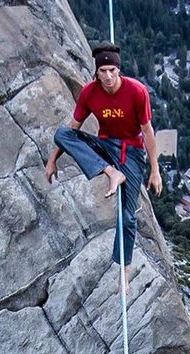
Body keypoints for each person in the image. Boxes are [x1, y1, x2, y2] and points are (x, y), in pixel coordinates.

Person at [45, 43, 163, 291]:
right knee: (62, 133)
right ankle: (110, 173)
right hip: (106, 147)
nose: (108, 76)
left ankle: (124, 272)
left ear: (118, 70)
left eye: (112, 70)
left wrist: (155, 170)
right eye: (103, 71)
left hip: (131, 153)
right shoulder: (90, 93)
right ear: (96, 72)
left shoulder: (137, 92)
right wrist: (52, 159)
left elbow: (148, 132)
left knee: (127, 217)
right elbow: (72, 128)